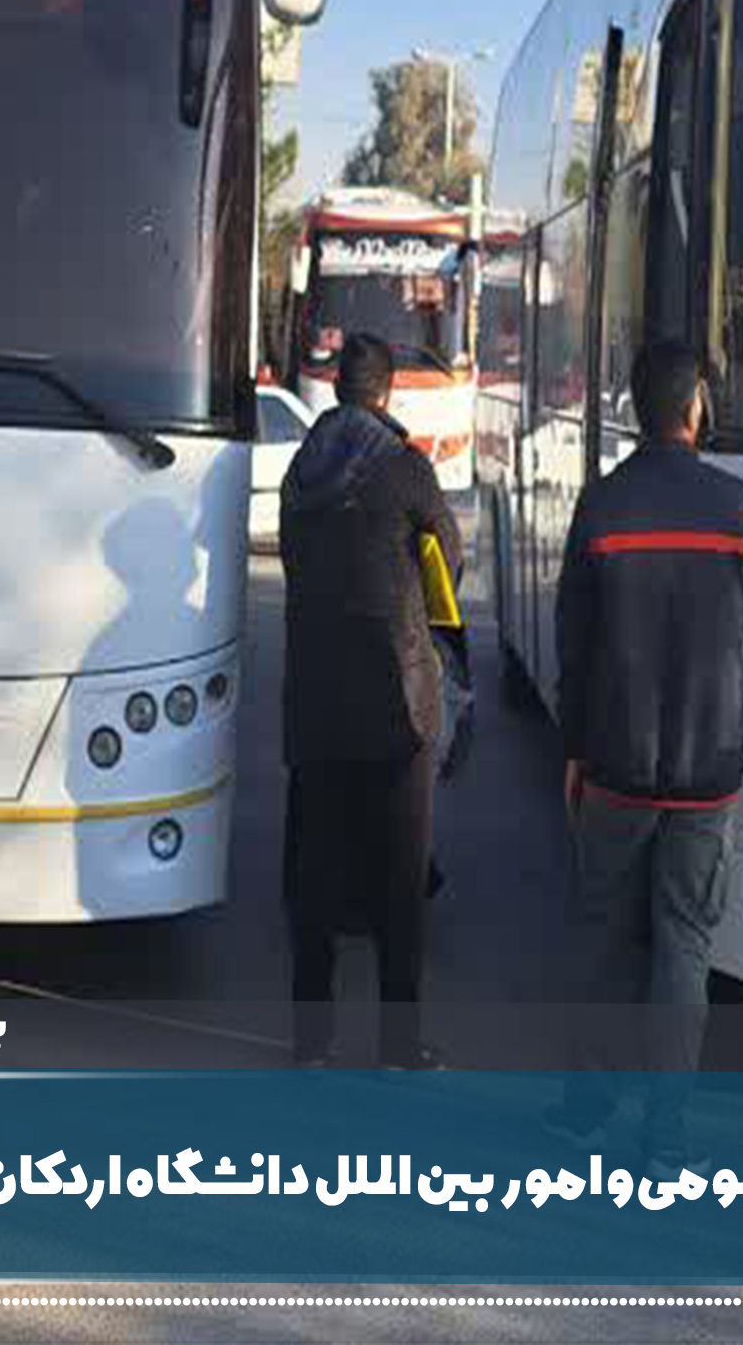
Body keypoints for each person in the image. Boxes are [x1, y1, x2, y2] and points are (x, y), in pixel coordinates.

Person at [547, 339, 743, 1176]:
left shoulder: (603, 507)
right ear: (696, 408)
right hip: (707, 775)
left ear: (635, 409)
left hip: (616, 767)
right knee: (685, 947)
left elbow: (573, 646)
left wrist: (576, 749)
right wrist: (720, 699)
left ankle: (587, 1107)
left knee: (602, 938)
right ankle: (665, 1135)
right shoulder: (739, 510)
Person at [276, 332, 463, 1071]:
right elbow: (446, 563)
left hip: (315, 697)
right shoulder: (406, 469)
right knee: (399, 880)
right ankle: (398, 1044)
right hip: (395, 701)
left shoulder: (300, 469)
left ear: (336, 389)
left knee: (315, 880)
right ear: (387, 392)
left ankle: (310, 1045)